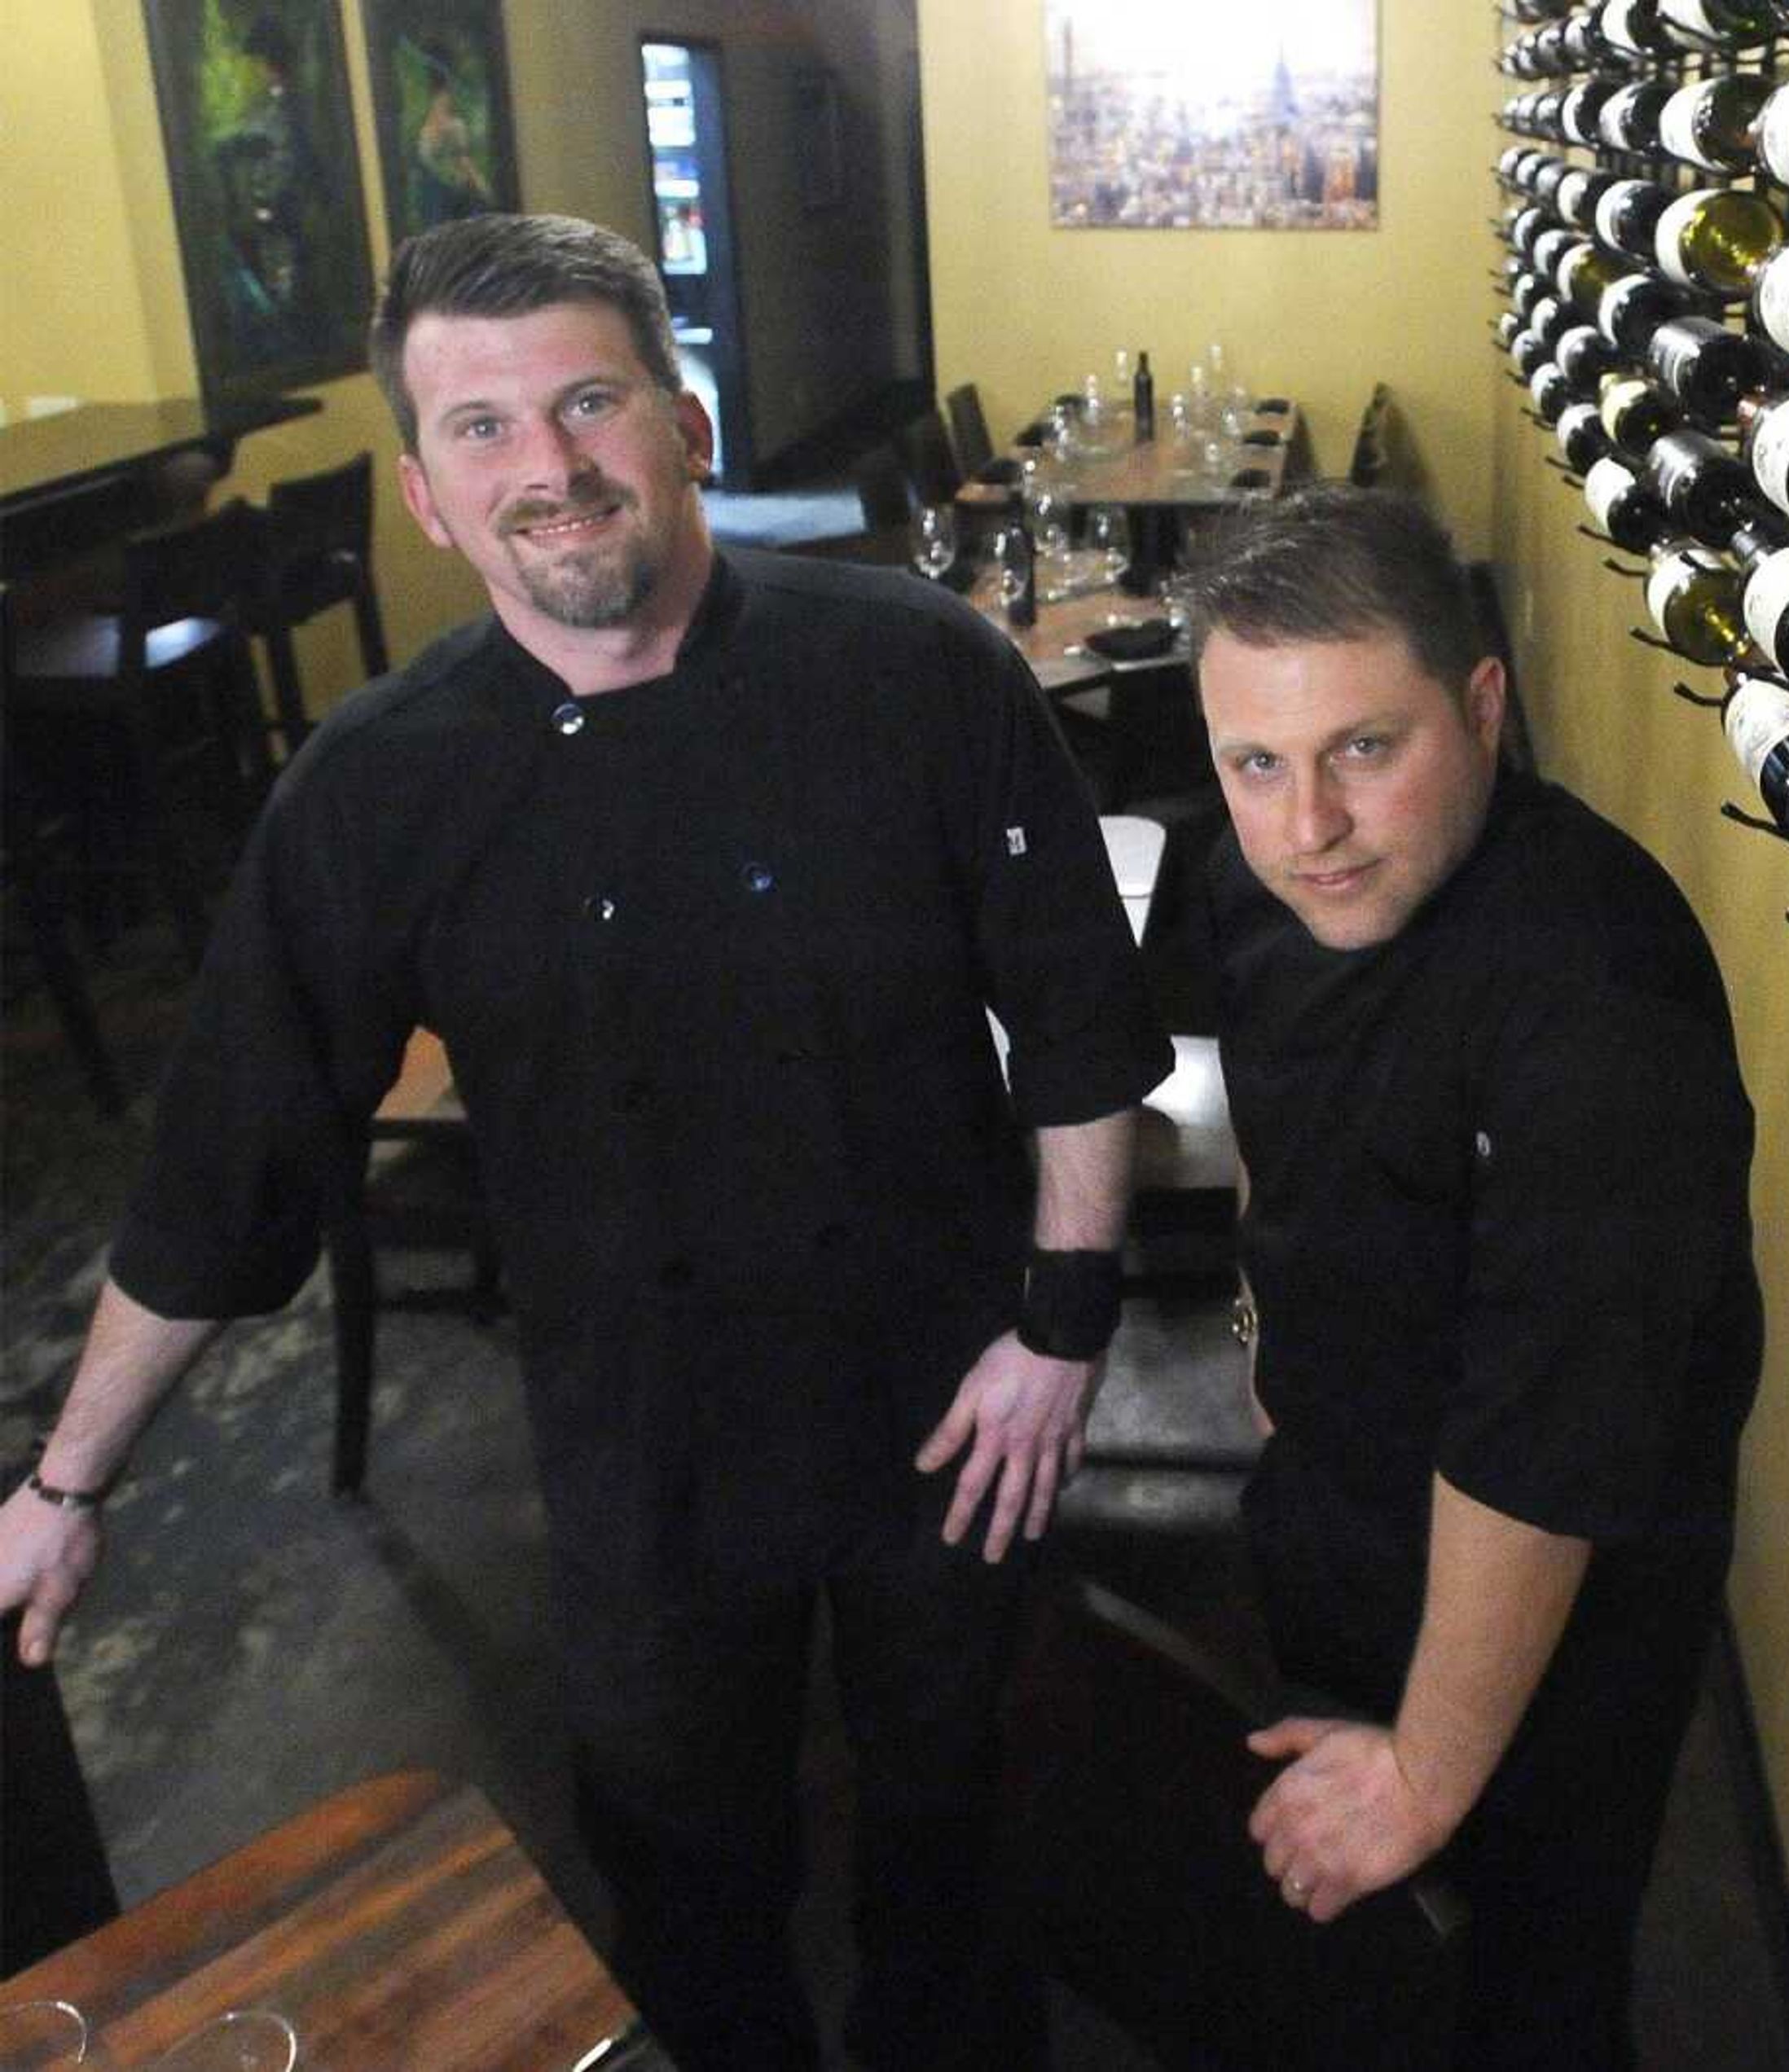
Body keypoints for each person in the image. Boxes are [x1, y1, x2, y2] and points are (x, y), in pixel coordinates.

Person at [0, 214, 1168, 2071]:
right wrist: (67, 1485)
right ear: (423, 493)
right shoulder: (378, 783)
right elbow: (236, 1158)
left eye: (588, 401)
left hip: (950, 1392)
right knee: (687, 1872)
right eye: (482, 430)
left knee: (962, 1842)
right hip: (644, 1429)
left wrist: (1067, 1321)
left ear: (684, 423)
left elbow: (1084, 1016)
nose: (546, 467)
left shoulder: (919, 668)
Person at [1179, 487, 1763, 2068]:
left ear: (1485, 707)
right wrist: (1262, 1320)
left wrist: (1430, 1773)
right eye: (1257, 763)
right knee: (1359, 1974)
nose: (1310, 827)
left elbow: (1553, 1445)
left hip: (1557, 1592)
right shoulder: (1259, 878)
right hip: (1338, 1496)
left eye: (1367, 749)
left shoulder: (1595, 998)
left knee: (1526, 1986)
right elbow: (1268, 1107)